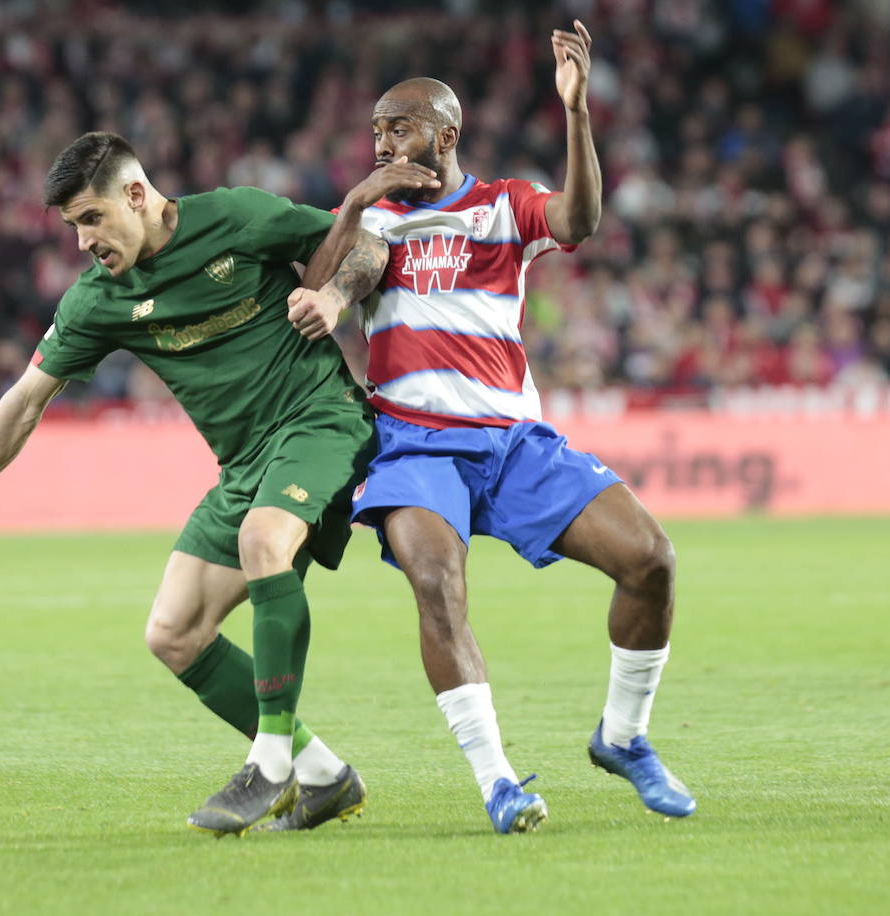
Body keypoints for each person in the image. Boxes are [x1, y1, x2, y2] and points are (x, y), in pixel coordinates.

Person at [0, 131, 439, 836]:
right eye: (73, 227)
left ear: (136, 195)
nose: (83, 243)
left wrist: (337, 297)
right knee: (173, 633)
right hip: (245, 463)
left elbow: (369, 244)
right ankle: (323, 775)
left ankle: (271, 762)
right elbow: (24, 401)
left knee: (264, 541)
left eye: (91, 219)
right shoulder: (99, 299)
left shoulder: (238, 217)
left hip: (320, 422)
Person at [287, 21, 695, 834]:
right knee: (437, 587)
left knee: (650, 560)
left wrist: (576, 115)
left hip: (512, 445)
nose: (381, 143)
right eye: (373, 133)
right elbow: (330, 280)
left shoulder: (503, 206)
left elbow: (577, 221)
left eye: (396, 129)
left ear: (445, 132)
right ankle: (499, 782)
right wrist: (351, 238)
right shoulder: (373, 222)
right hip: (412, 448)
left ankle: (624, 736)